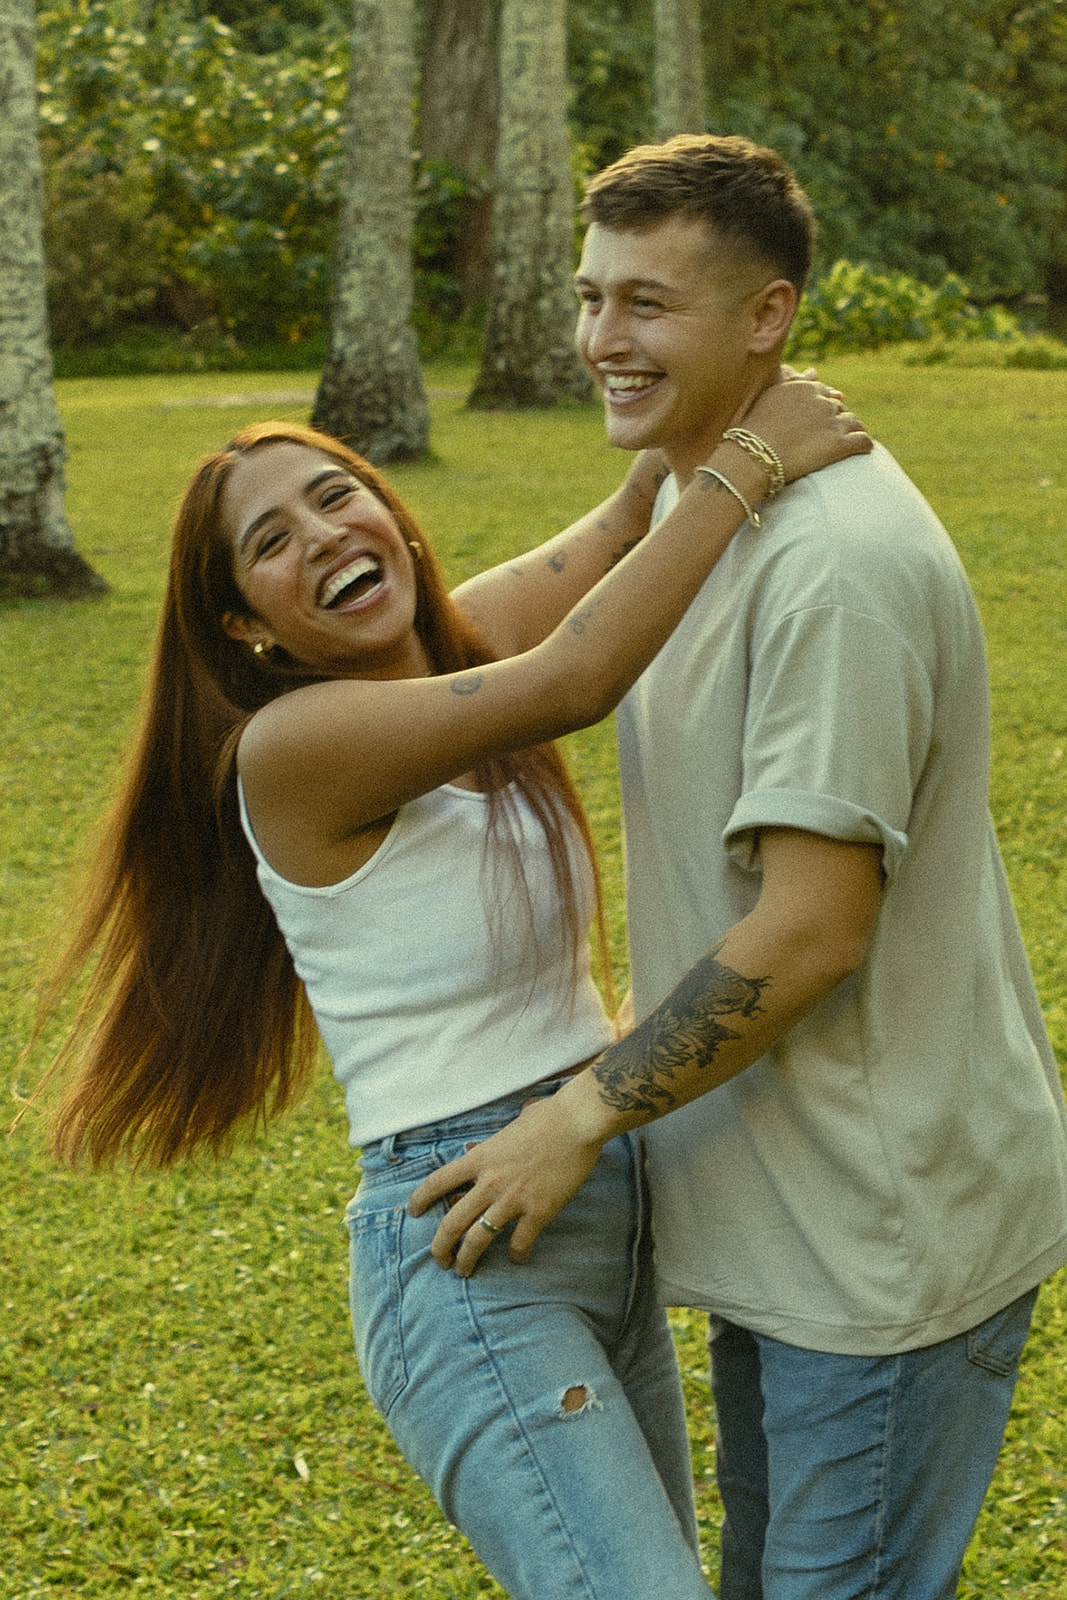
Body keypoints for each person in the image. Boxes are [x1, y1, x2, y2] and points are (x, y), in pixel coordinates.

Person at [33, 383, 868, 1600]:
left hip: (588, 1189)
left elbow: (611, 533)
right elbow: (568, 680)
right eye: (271, 543)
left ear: (390, 514)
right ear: (244, 624)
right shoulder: (298, 746)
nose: (319, 536)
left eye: (335, 496)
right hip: (470, 1238)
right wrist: (751, 460)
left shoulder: (445, 662)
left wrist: (680, 443)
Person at [410, 134, 1067, 1600]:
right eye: (588, 300)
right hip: (791, 1212)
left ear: (763, 318)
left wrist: (571, 1120)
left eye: (644, 304)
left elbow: (813, 930)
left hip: (879, 1246)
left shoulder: (827, 564)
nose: (598, 341)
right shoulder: (695, 502)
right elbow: (483, 655)